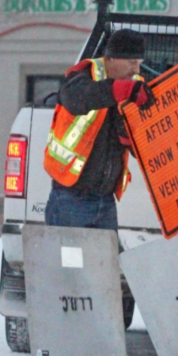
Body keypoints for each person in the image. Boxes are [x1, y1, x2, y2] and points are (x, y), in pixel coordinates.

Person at [44, 29, 155, 230]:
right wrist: (124, 91)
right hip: (70, 196)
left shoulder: (135, 86)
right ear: (111, 58)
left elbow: (143, 140)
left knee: (104, 261)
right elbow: (78, 98)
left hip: (105, 201)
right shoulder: (84, 76)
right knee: (67, 260)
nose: (136, 70)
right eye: (131, 62)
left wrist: (133, 139)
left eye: (139, 62)